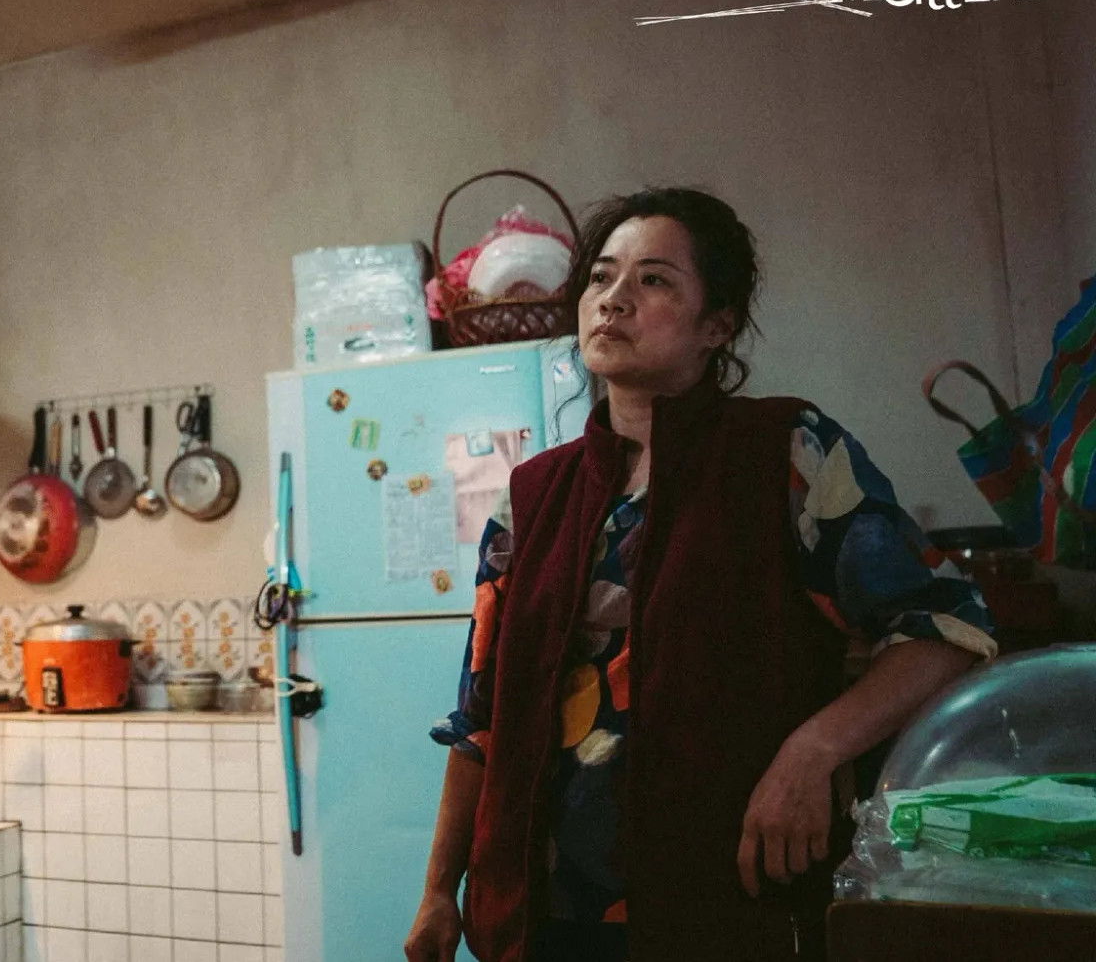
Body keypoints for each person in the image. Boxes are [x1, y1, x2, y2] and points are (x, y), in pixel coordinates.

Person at [402, 188, 995, 962]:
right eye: (601, 277)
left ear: (717, 325)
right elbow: (480, 714)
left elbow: (948, 627)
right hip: (541, 918)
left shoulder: (782, 451)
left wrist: (813, 749)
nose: (614, 298)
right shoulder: (532, 495)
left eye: (653, 279)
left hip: (722, 909)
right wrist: (438, 890)